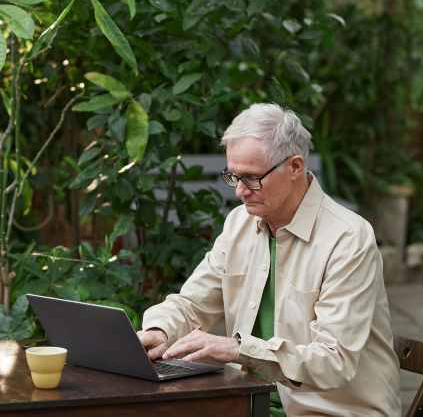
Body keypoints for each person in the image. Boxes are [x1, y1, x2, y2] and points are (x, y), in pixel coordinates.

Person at [137, 103, 400, 416]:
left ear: (295, 167)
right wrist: (160, 331)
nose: (239, 192)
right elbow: (193, 303)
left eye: (251, 178)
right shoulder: (239, 224)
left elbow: (333, 361)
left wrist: (239, 350)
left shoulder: (348, 238)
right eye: (232, 176)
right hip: (248, 404)